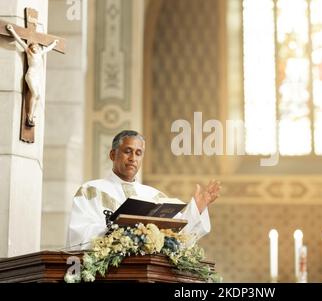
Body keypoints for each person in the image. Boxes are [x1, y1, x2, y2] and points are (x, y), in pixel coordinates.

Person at [67, 130, 221, 249]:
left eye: (138, 153)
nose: (133, 158)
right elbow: (78, 235)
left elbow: (179, 238)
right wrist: (121, 231)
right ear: (113, 154)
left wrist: (197, 209)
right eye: (127, 151)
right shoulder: (90, 191)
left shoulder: (155, 196)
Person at [6, 24, 59, 127]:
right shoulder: (29, 52)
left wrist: (54, 43)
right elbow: (19, 41)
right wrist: (12, 30)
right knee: (34, 94)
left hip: (36, 77)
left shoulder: (40, 53)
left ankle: (31, 117)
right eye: (33, 46)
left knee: (38, 96)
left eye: (36, 46)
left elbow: (48, 49)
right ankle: (29, 117)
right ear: (30, 48)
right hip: (30, 75)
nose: (35, 47)